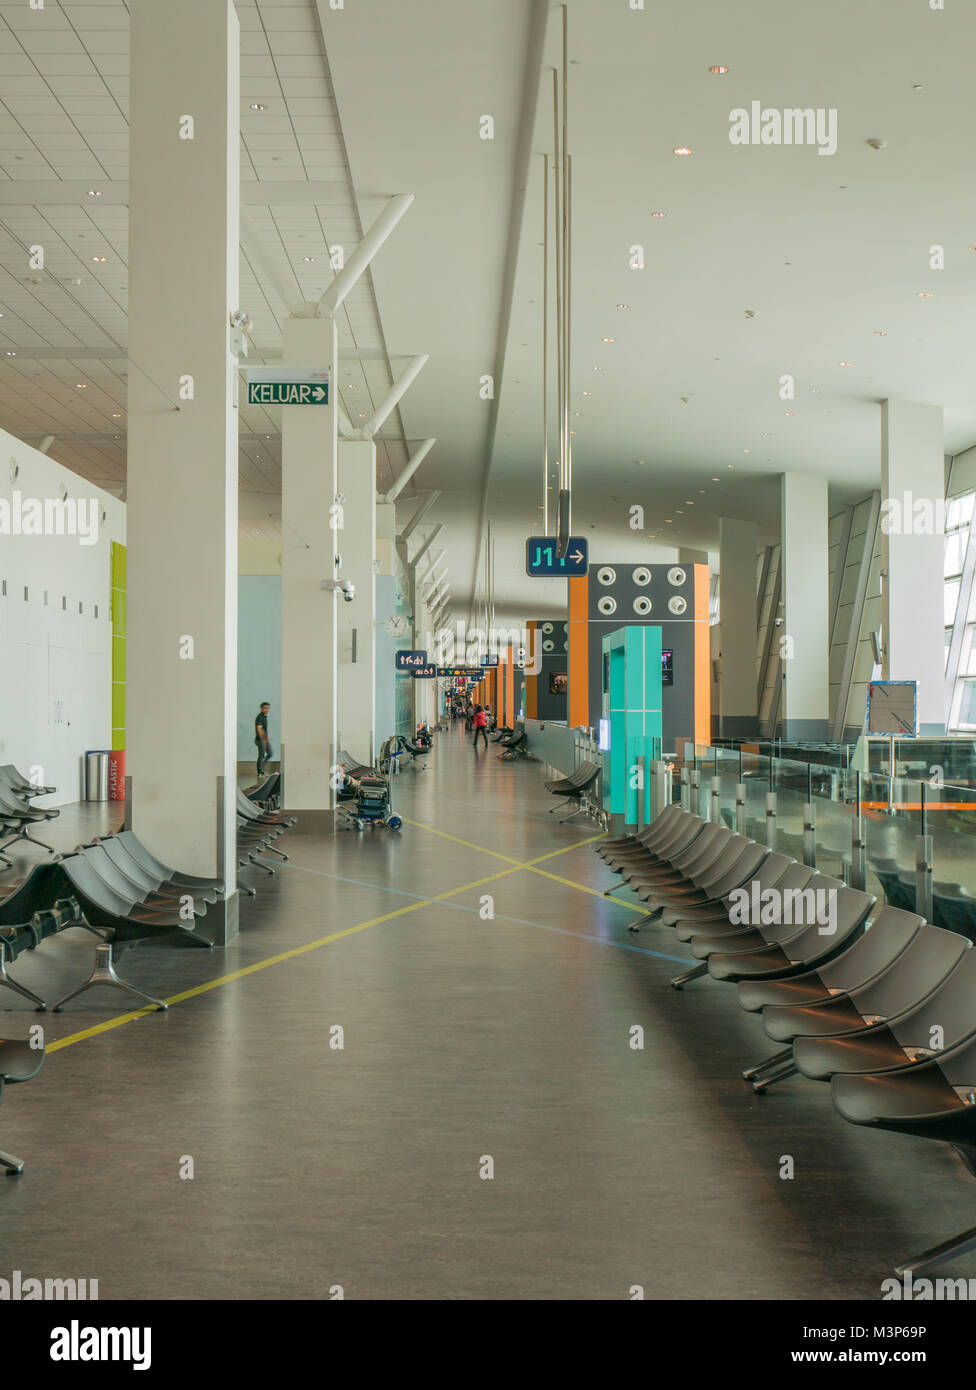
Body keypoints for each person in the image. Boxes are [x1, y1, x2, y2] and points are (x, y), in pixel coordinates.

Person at [254, 701, 273, 776]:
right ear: (261, 708)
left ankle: (261, 768)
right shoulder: (260, 717)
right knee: (261, 756)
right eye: (265, 708)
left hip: (265, 740)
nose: (267, 709)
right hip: (261, 740)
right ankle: (259, 772)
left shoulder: (264, 717)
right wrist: (264, 739)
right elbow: (259, 729)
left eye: (268, 708)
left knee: (270, 754)